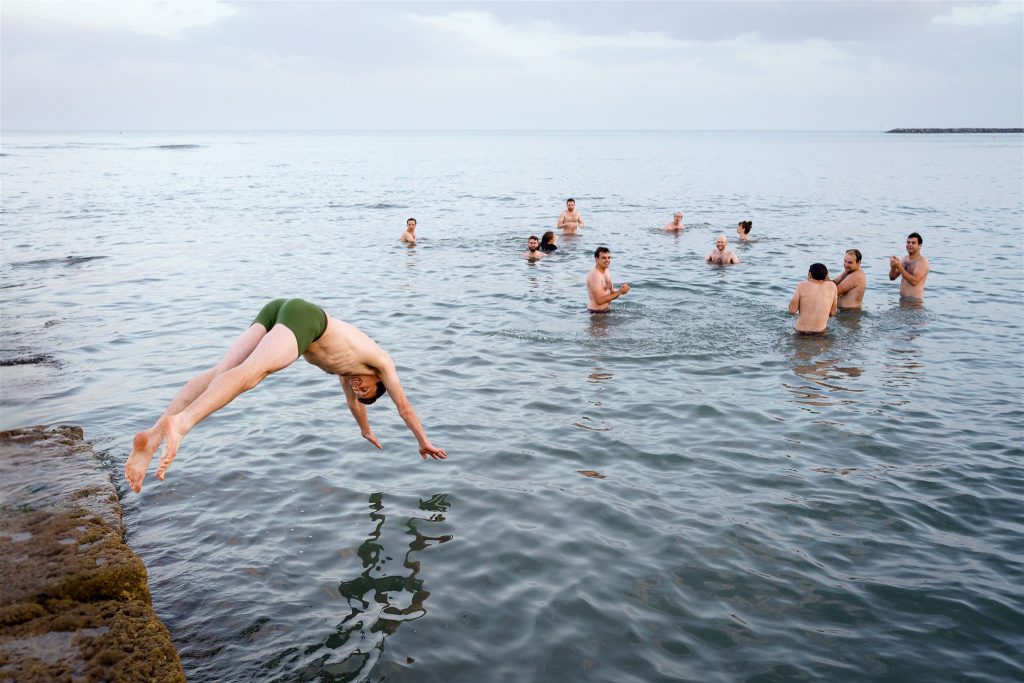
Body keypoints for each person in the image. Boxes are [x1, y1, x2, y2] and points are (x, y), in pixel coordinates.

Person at [124, 298, 447, 494]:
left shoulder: (348, 372)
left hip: (279, 308)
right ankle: (182, 423)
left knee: (221, 371)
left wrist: (366, 430)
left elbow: (352, 405)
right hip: (306, 317)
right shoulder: (383, 362)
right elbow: (403, 406)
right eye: (368, 390)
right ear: (379, 381)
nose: (359, 391)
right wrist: (422, 440)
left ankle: (151, 438)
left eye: (361, 392)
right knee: (253, 372)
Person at [788, 263, 839, 334]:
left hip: (801, 333)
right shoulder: (832, 287)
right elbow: (832, 313)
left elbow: (792, 311)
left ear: (809, 274)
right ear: (826, 275)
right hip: (820, 334)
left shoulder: (802, 285)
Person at [586, 246, 630, 313]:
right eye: (604, 258)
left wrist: (622, 290)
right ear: (596, 259)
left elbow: (611, 294)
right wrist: (620, 292)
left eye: (609, 257)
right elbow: (599, 301)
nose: (607, 260)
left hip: (606, 311)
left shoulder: (606, 272)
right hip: (596, 313)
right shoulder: (595, 275)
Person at [888, 232, 929, 301]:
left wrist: (898, 266)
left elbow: (914, 282)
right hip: (902, 300)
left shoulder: (923, 262)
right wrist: (893, 267)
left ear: (919, 245)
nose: (909, 245)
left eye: (913, 243)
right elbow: (892, 277)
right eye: (908, 242)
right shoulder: (905, 259)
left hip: (914, 302)